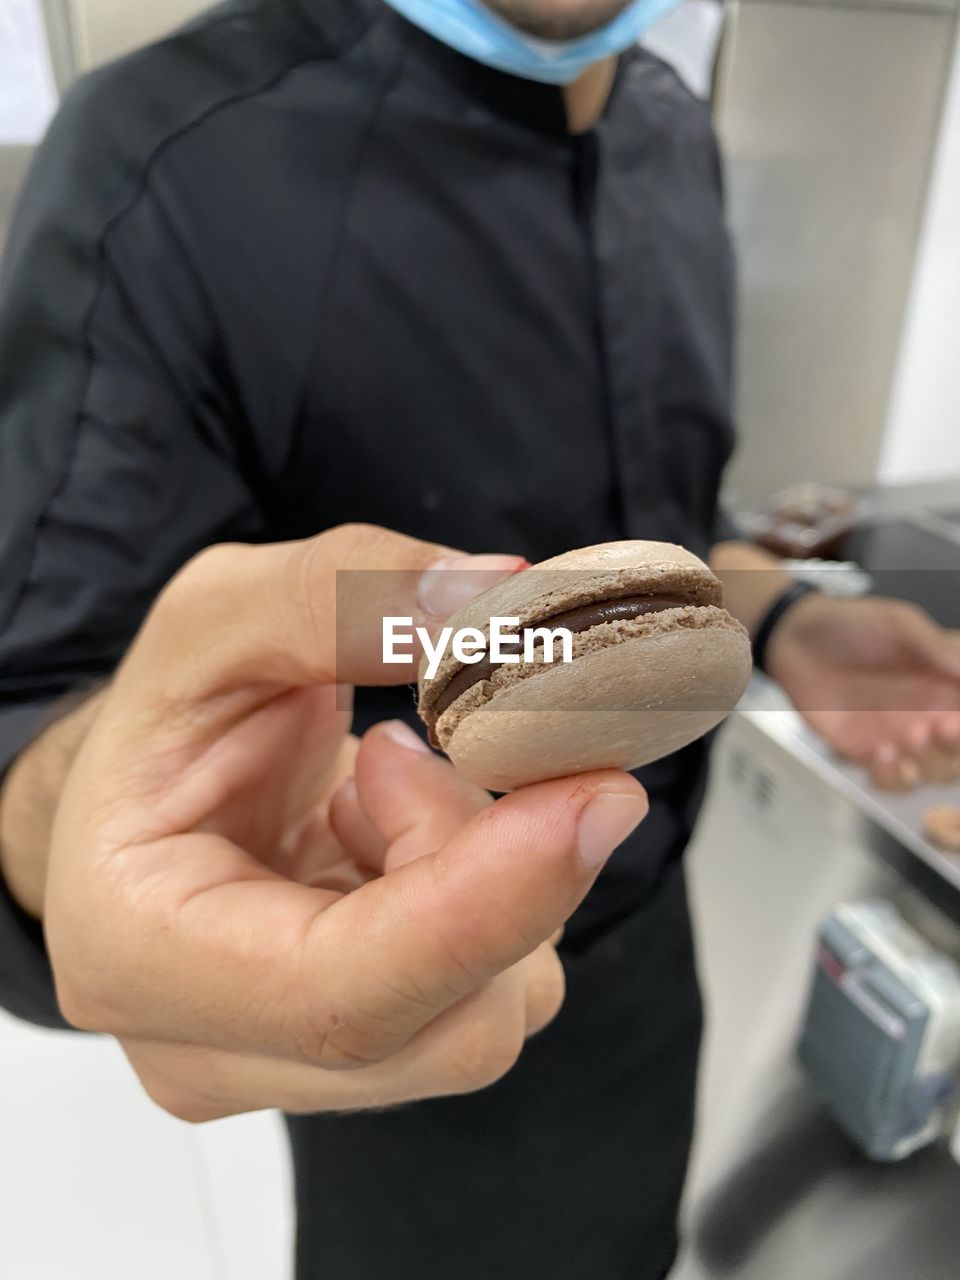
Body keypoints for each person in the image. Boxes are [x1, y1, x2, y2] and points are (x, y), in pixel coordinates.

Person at [2, 1, 959, 1276]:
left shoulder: (674, 135)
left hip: (655, 945)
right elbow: (40, 694)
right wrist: (74, 826)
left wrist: (775, 617)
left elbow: (658, 527)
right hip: (407, 1019)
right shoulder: (168, 156)